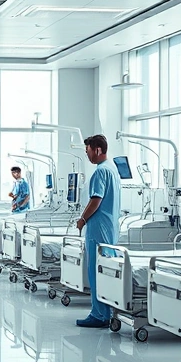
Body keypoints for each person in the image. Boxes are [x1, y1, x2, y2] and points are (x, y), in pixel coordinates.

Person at [74, 134, 122, 328]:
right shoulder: (113, 169)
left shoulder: (100, 172)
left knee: (96, 271)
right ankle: (105, 311)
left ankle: (100, 314)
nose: (87, 155)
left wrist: (82, 220)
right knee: (106, 270)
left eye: (88, 151)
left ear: (97, 150)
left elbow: (96, 200)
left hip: (98, 228)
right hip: (109, 227)